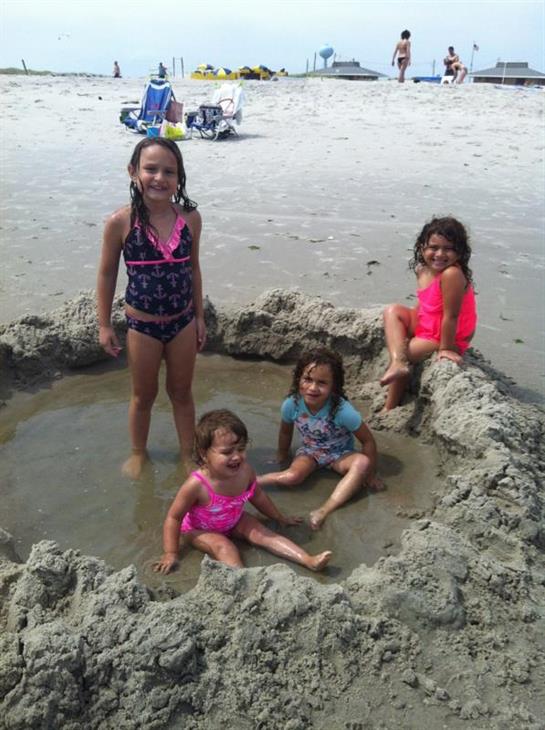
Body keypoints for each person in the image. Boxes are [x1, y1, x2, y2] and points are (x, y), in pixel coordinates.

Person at [97, 138, 206, 479]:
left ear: (179, 178)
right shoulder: (121, 222)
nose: (159, 177)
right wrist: (104, 324)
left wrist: (199, 316)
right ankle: (138, 452)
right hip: (142, 326)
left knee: (182, 393)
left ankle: (188, 455)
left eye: (169, 172)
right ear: (133, 173)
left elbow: (194, 268)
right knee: (143, 395)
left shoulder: (190, 219)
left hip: (183, 323)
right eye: (150, 169)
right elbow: (107, 272)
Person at [153, 410, 332, 573]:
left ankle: (308, 559)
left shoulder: (245, 472)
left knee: (263, 534)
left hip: (234, 519)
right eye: (227, 452)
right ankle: (242, 578)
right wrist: (171, 552)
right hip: (199, 530)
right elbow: (173, 517)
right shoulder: (196, 485)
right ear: (203, 454)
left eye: (241, 449)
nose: (237, 456)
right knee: (224, 546)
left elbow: (258, 496)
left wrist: (279, 517)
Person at [258, 348, 382, 530]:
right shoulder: (291, 405)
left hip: (340, 454)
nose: (313, 388)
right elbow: (285, 432)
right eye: (307, 379)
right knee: (292, 476)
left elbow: (368, 441)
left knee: (362, 463)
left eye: (322, 383)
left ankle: (324, 510)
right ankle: (251, 481)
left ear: (334, 387)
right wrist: (281, 455)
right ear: (298, 379)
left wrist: (370, 475)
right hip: (310, 452)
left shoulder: (343, 411)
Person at [380, 216, 477, 411]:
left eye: (448, 248)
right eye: (433, 247)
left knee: (406, 352)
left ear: (460, 252)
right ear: (422, 247)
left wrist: (446, 348)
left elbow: (451, 316)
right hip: (429, 323)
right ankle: (398, 363)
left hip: (446, 334)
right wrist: (408, 328)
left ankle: (389, 406)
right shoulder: (422, 271)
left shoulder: (452, 274)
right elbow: (425, 303)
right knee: (393, 311)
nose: (440, 254)